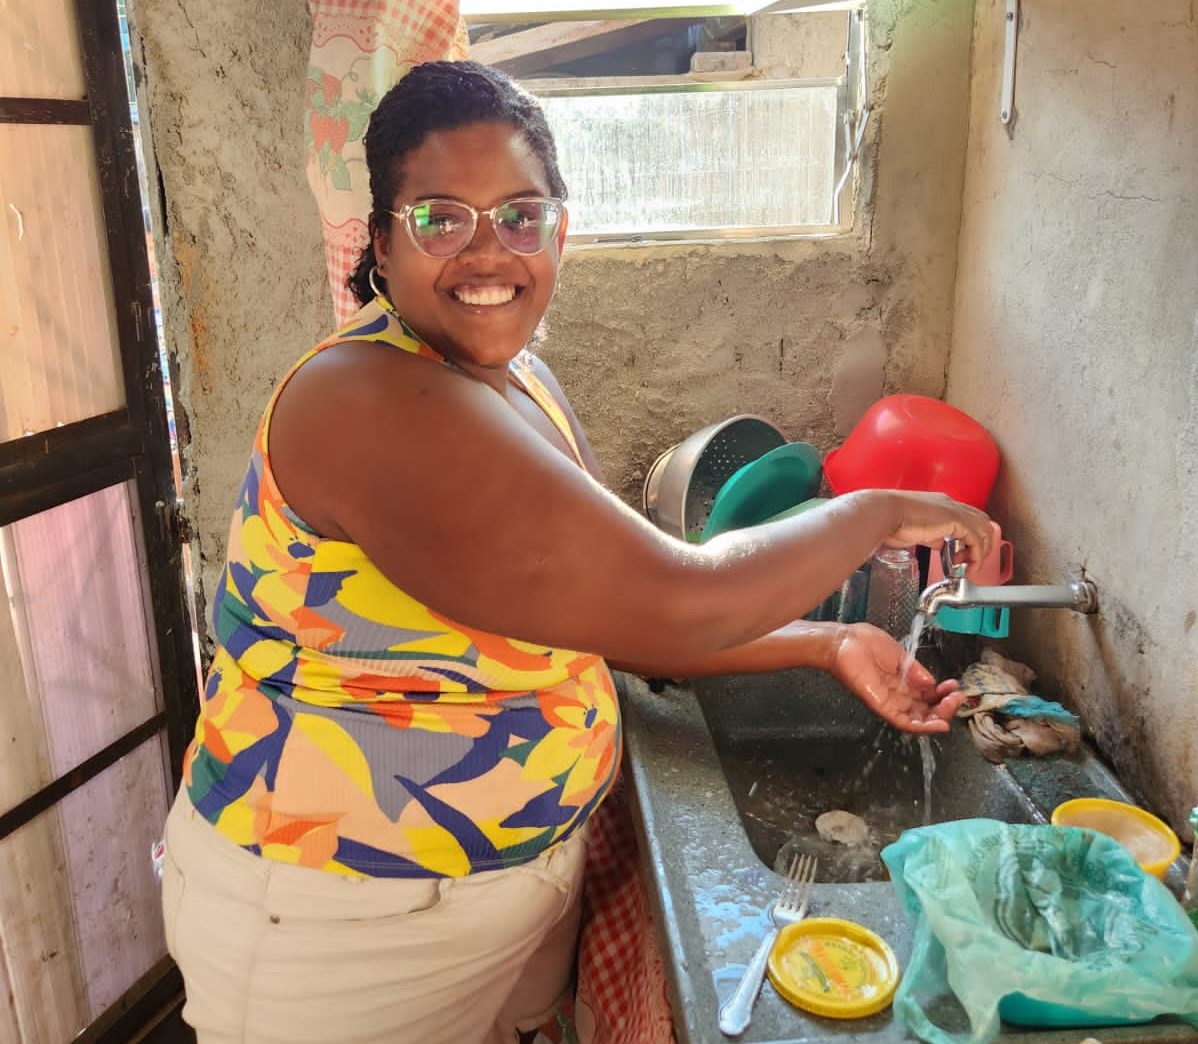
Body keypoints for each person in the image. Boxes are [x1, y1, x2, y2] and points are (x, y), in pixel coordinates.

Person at [160, 59, 994, 1044]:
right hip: (337, 926)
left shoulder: (517, 382)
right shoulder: (363, 402)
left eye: (521, 215)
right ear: (382, 242)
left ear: (560, 230)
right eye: (440, 218)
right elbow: (678, 599)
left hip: (493, 890)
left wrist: (824, 642)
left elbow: (616, 618)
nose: (487, 251)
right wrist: (874, 511)